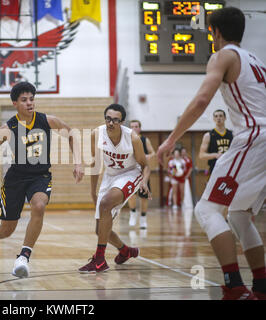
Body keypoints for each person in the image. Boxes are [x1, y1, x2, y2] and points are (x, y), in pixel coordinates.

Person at [157, 7, 265, 300]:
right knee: (240, 214)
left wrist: (170, 141)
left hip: (254, 137)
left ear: (216, 32)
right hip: (262, 140)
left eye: (209, 32)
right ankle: (261, 287)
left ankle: (234, 286)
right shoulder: (256, 59)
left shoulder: (223, 56)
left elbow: (202, 99)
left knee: (206, 210)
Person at [0, 82, 84, 278]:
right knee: (7, 229)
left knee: (39, 206)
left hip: (40, 176)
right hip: (15, 178)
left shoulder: (47, 120)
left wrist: (78, 163)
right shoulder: (9, 127)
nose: (29, 103)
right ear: (15, 103)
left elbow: (71, 133)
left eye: (31, 99)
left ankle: (23, 257)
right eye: (24, 100)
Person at [78, 104, 150, 273]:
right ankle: (126, 251)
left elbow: (145, 166)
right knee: (100, 229)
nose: (111, 123)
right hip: (110, 176)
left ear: (122, 121)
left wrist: (144, 182)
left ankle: (99, 260)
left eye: (115, 120)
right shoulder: (97, 133)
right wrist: (92, 191)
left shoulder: (132, 138)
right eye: (108, 119)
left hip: (131, 174)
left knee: (106, 204)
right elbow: (95, 164)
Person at [127, 120, 156, 229]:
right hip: (131, 170)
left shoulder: (144, 140)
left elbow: (153, 153)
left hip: (143, 170)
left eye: (136, 126)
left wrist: (148, 156)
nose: (134, 128)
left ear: (140, 128)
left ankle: (143, 219)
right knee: (131, 195)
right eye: (132, 126)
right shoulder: (126, 139)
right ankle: (133, 213)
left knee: (144, 196)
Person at [199, 109, 233, 176]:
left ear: (225, 118)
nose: (218, 118)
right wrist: (215, 155)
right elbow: (201, 155)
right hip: (215, 168)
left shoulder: (232, 134)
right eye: (216, 116)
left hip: (230, 167)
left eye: (220, 116)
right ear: (214, 119)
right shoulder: (208, 135)